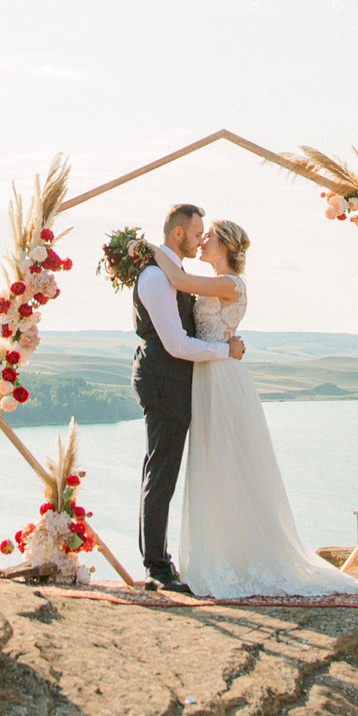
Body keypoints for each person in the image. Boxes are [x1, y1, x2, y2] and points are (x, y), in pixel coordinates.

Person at [142, 219, 358, 599]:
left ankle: (248, 557)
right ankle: (222, 553)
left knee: (233, 464)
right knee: (213, 467)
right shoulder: (214, 281)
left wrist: (149, 250)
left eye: (208, 236)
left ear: (225, 244)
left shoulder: (231, 284)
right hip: (206, 378)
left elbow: (179, 282)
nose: (202, 241)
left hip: (223, 380)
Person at [132, 202, 243, 594]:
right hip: (164, 380)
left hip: (178, 382)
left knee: (160, 469)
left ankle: (158, 560)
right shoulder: (155, 279)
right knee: (161, 472)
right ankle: (157, 568)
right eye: (197, 235)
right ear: (178, 234)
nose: (200, 242)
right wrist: (225, 351)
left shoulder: (171, 274)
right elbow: (177, 344)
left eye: (205, 237)